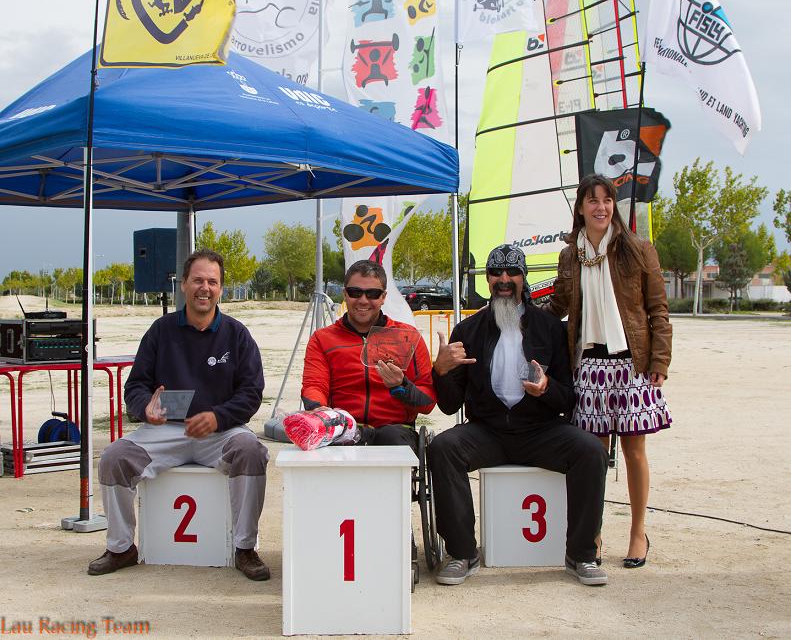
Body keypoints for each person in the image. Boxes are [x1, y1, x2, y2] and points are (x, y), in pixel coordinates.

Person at [430, 244, 609, 587]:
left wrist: (546, 388)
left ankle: (581, 554)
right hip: (488, 432)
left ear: (523, 278)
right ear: (487, 279)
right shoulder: (468, 330)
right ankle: (462, 553)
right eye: (495, 273)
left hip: (541, 431)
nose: (504, 279)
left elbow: (569, 397)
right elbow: (450, 405)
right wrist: (440, 370)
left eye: (512, 272)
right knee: (443, 447)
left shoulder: (550, 328)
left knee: (590, 450)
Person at [88, 249, 270, 581]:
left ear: (221, 288)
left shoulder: (237, 334)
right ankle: (121, 547)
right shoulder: (161, 331)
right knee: (114, 457)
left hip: (220, 433)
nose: (205, 288)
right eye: (198, 280)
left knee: (252, 450)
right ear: (183, 284)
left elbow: (251, 392)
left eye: (212, 282)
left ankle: (245, 548)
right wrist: (146, 407)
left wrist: (217, 417)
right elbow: (136, 386)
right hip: (166, 431)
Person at [546, 174, 672, 568]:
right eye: (592, 200)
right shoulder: (571, 256)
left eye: (607, 200)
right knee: (593, 455)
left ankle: (638, 532)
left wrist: (660, 361)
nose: (600, 207)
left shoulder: (638, 249)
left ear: (614, 205)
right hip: (590, 366)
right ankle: (593, 534)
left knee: (634, 451)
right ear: (581, 208)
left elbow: (658, 310)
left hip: (632, 364)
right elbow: (559, 306)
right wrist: (520, 315)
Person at [301, 260, 435, 452]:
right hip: (344, 429)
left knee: (392, 439)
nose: (363, 300)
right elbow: (314, 386)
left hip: (395, 430)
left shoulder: (408, 337)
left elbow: (428, 402)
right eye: (355, 292)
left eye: (372, 293)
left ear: (383, 297)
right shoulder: (322, 339)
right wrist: (318, 409)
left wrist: (401, 386)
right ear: (345, 294)